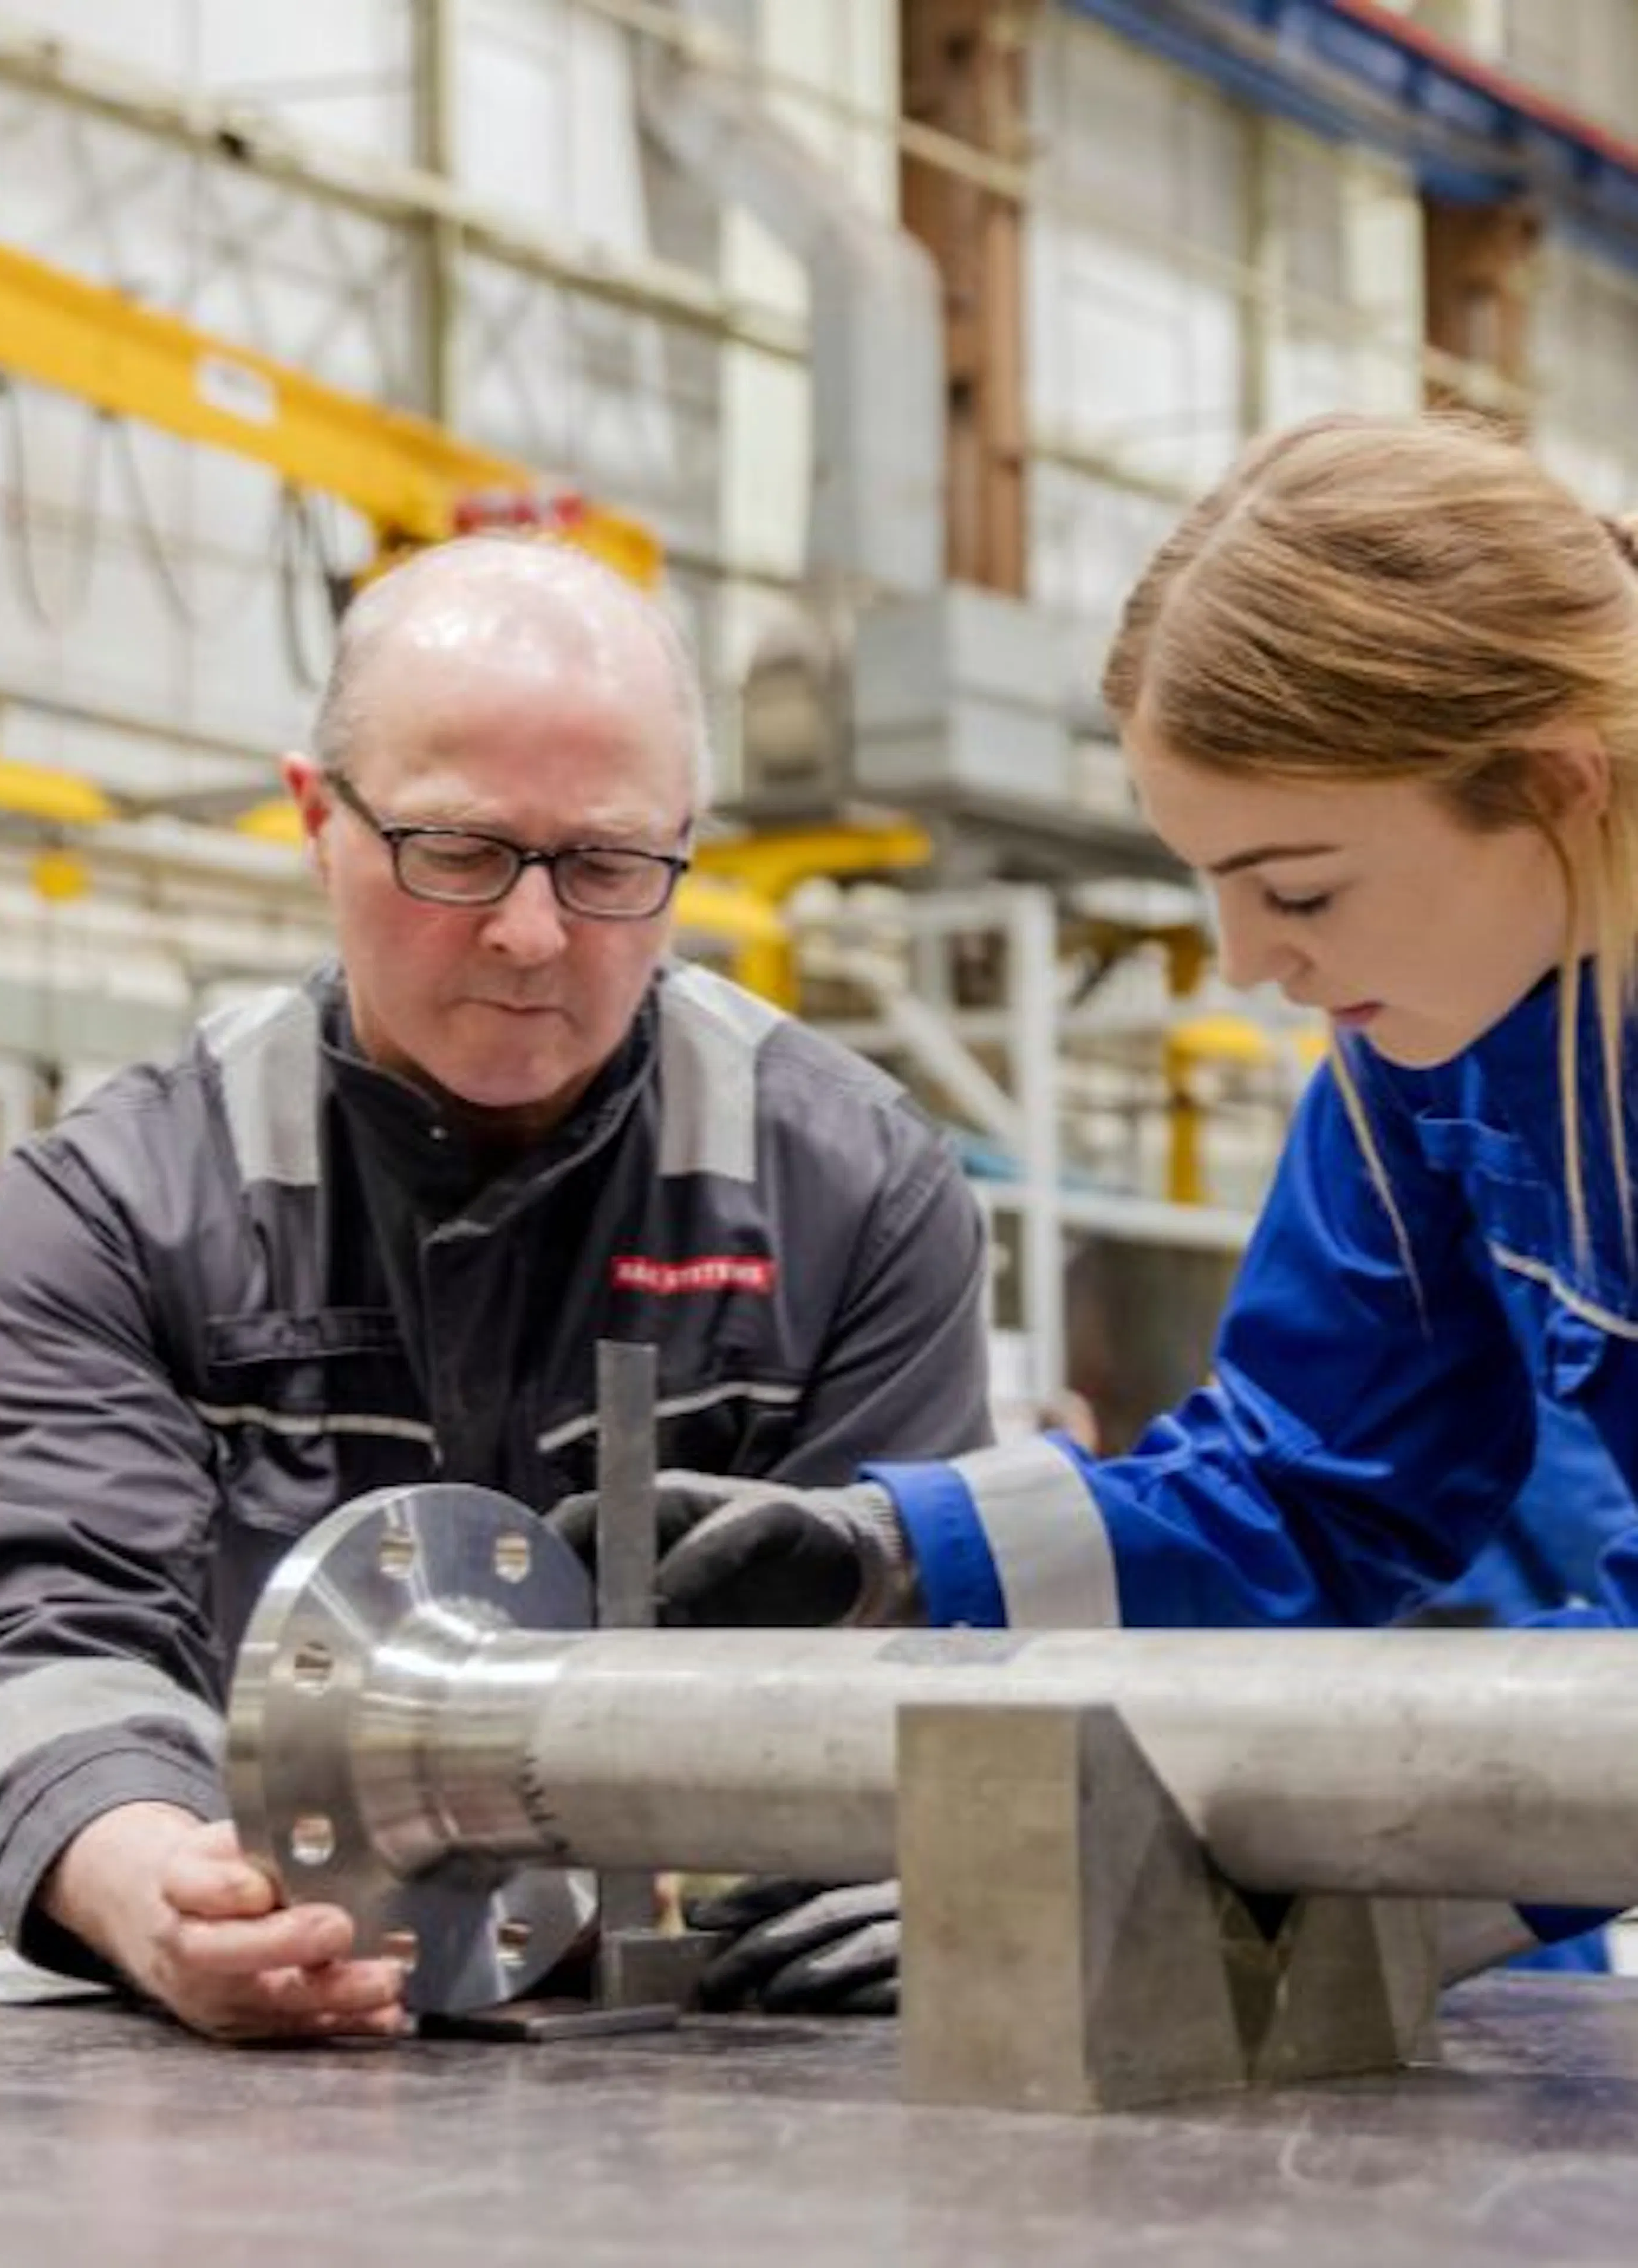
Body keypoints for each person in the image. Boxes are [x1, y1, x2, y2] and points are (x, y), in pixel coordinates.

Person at [580, 411, 1638, 1967]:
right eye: (1209, 886)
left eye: (1299, 888)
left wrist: (1246, 1904)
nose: (1246, 963)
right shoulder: (1434, 1052)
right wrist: (895, 1552)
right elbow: (1311, 1489)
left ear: (1559, 785)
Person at [0, 533, 992, 2041]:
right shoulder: (118, 1207)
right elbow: (52, 1638)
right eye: (458, 852)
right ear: (316, 820)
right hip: (261, 2084)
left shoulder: (855, 1193)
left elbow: (879, 1689)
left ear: (685, 847)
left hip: (708, 2068)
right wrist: (157, 1893)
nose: (531, 933)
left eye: (610, 865)